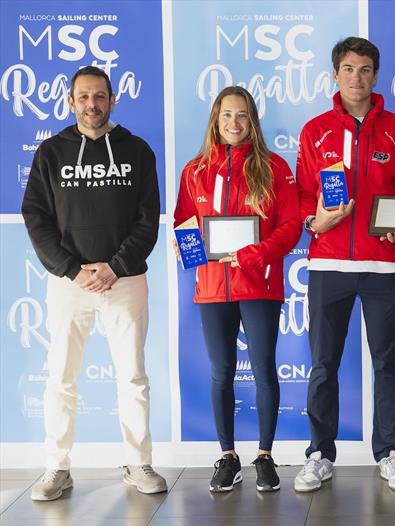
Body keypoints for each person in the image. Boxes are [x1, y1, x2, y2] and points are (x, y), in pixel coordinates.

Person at [21, 66, 166, 500]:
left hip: (124, 281)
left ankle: (139, 463)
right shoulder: (51, 152)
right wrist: (72, 269)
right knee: (61, 378)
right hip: (69, 284)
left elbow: (147, 220)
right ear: (70, 102)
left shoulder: (137, 151)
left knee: (133, 377)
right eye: (83, 97)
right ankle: (56, 468)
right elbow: (37, 218)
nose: (92, 104)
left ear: (113, 99)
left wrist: (115, 267)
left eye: (99, 96)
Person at [294, 36, 395, 492]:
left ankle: (390, 452)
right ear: (335, 74)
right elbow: (302, 196)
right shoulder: (315, 131)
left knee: (388, 361)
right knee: (323, 363)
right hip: (329, 262)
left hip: (385, 265)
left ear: (375, 74)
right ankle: (319, 453)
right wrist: (316, 217)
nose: (357, 77)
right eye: (348, 69)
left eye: (365, 69)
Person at [173, 86, 301, 493]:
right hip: (213, 287)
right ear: (215, 119)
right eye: (227, 115)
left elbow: (290, 227)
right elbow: (184, 222)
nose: (234, 123)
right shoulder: (195, 170)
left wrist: (251, 255)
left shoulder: (274, 168)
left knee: (264, 368)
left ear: (253, 121)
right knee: (221, 371)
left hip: (259, 283)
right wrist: (187, 250)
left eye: (242, 115)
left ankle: (264, 456)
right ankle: (227, 456)